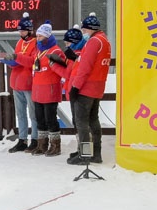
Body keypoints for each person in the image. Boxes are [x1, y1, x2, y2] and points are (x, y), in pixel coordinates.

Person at [67, 13, 111, 165]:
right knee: (93, 120)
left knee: (81, 122)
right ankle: (96, 153)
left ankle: (85, 155)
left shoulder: (93, 42)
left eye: (84, 30)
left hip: (86, 87)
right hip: (98, 86)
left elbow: (85, 67)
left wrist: (75, 87)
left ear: (90, 29)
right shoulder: (105, 41)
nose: (83, 33)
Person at [2, 13, 38, 153]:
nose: (21, 33)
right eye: (19, 31)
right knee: (20, 114)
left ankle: (35, 139)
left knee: (33, 113)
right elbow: (18, 61)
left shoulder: (35, 43)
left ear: (29, 30)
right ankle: (22, 139)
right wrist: (11, 61)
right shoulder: (19, 43)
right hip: (16, 83)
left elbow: (32, 62)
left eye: (23, 30)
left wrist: (18, 57)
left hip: (29, 83)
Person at [48, 25, 84, 158]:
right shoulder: (75, 54)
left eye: (68, 42)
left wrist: (54, 66)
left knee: (79, 122)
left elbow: (68, 74)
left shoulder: (76, 55)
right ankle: (81, 148)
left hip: (76, 91)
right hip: (73, 90)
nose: (66, 45)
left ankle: (84, 150)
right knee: (78, 122)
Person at [30, 21, 66, 156]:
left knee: (50, 118)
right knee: (39, 118)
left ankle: (55, 145)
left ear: (47, 36)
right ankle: (42, 144)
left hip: (50, 90)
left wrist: (56, 62)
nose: (37, 38)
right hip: (38, 90)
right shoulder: (38, 51)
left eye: (40, 36)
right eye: (37, 36)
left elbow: (63, 69)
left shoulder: (56, 50)